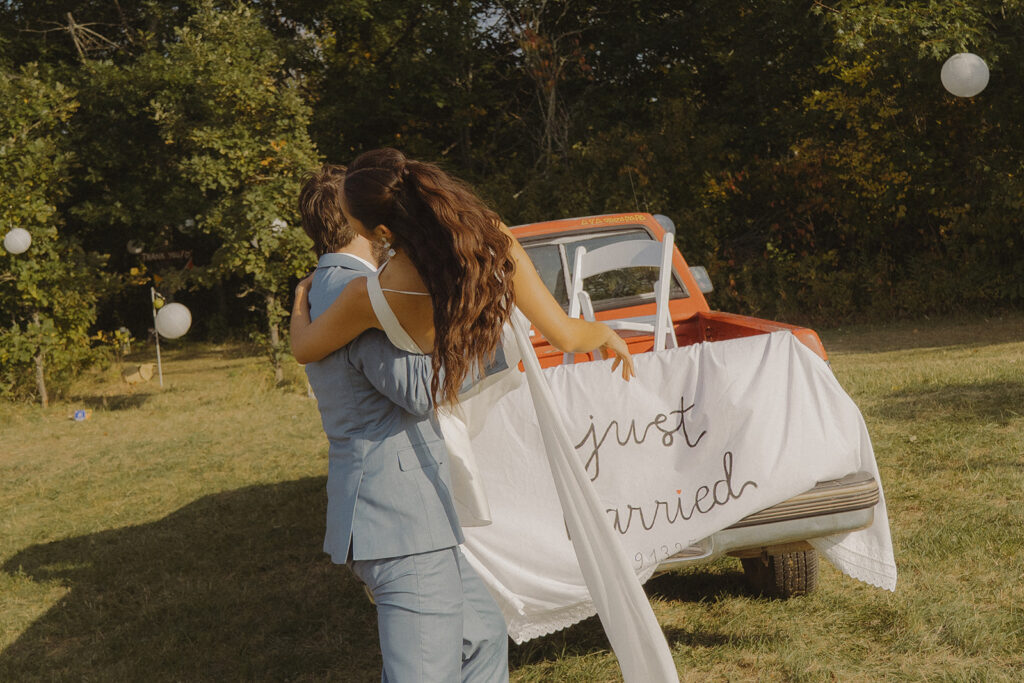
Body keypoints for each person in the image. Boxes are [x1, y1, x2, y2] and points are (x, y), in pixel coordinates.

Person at [297, 164, 509, 682]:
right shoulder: (356, 291)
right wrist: (488, 335)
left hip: (409, 512)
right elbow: (418, 390)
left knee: (482, 632)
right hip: (399, 521)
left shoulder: (325, 286)